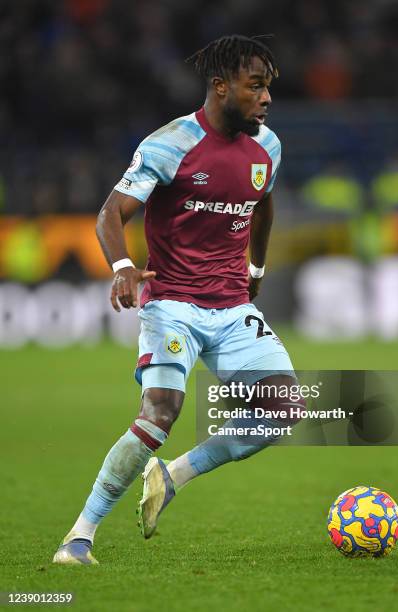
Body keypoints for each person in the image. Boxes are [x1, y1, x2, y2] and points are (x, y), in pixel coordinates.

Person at [53, 34, 298, 566]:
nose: (266, 98)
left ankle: (174, 475)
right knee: (161, 413)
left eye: (268, 88)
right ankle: (79, 537)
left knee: (281, 410)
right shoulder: (171, 143)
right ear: (220, 86)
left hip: (233, 307)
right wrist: (122, 268)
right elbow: (110, 212)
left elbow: (262, 203)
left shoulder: (268, 147)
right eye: (255, 86)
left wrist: (255, 266)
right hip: (173, 305)